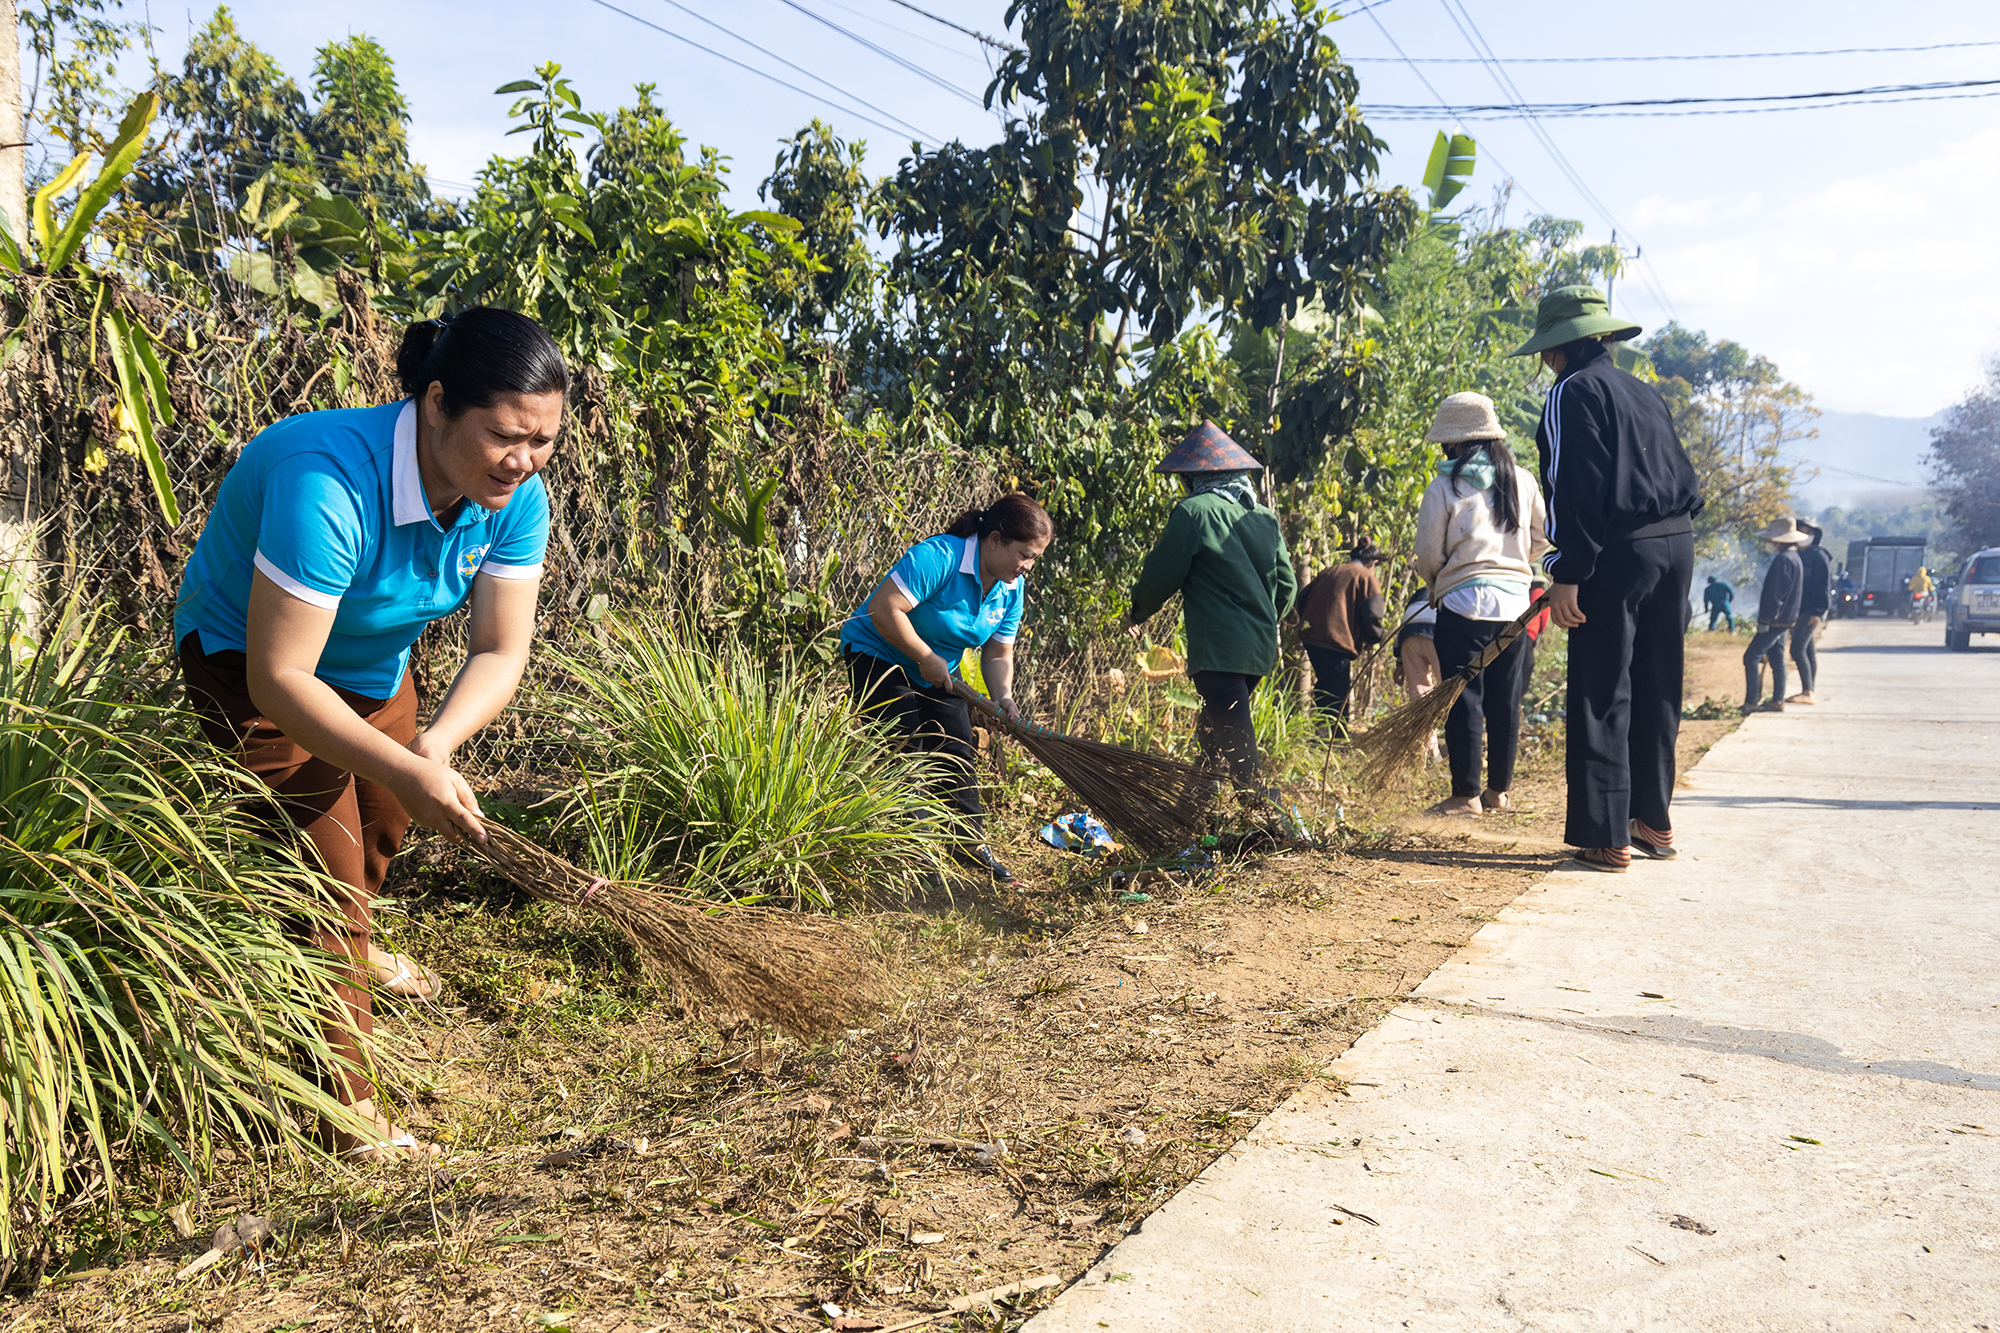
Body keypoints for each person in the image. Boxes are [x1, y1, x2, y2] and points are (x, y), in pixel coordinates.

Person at [174, 307, 566, 1158]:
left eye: (543, 442)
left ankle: (355, 932)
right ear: (435, 405)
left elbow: (502, 647)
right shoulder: (329, 478)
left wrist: (434, 746)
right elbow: (278, 679)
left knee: (384, 819)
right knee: (326, 881)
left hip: (370, 666)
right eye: (505, 436)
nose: (525, 461)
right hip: (248, 661)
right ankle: (346, 1119)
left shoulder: (513, 496)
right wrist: (402, 760)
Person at [1511, 285, 1703, 873]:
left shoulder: (1572, 391)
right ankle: (1654, 820)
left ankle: (1606, 834)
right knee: (1658, 682)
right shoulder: (1643, 391)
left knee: (1601, 687)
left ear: (1555, 349)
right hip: (1676, 546)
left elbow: (1574, 486)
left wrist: (1568, 572)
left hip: (1618, 554)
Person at [840, 493, 1053, 884]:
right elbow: (884, 608)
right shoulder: (940, 557)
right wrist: (923, 655)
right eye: (1024, 554)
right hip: (877, 654)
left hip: (937, 670)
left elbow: (997, 651)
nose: (1028, 566)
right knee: (905, 746)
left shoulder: (1010, 587)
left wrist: (1002, 695)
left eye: (1035, 558)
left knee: (956, 744)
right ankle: (914, 853)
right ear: (994, 539)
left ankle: (967, 843)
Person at [1127, 421, 1297, 793]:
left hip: (1218, 649)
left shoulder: (1194, 511)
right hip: (1258, 649)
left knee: (1238, 751)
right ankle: (1195, 810)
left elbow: (1161, 574)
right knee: (1213, 732)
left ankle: (1270, 820)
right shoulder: (1263, 517)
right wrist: (1264, 621)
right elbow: (1287, 586)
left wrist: (1137, 612)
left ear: (1192, 477)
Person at [1413, 391, 1550, 818]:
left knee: (1463, 697)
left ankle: (1466, 795)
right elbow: (1543, 537)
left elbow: (1428, 553)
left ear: (1454, 443)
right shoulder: (1522, 480)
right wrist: (1514, 566)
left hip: (1464, 603)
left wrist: (1438, 582)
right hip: (1515, 606)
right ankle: (1499, 793)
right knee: (1506, 700)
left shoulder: (1445, 485)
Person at [1294, 537, 1386, 729]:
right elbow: (1372, 614)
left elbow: (1302, 597)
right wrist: (1374, 637)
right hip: (1336, 639)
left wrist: (1311, 620)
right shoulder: (1366, 577)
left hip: (1312, 636)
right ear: (1374, 563)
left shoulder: (1330, 571)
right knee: (1338, 689)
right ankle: (1335, 736)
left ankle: (1321, 729)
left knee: (1325, 683)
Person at [1742, 517, 1810, 714]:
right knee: (1777, 657)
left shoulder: (1784, 560)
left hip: (1775, 620)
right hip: (1786, 619)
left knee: (1751, 657)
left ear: (1780, 540)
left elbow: (1775, 595)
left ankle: (1752, 701)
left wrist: (1765, 620)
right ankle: (1777, 699)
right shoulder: (1795, 558)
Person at [1392, 600, 1442, 763]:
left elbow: (1401, 626)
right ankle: (1460, 744)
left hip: (1409, 635)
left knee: (1419, 694)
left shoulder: (1417, 596)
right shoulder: (1449, 585)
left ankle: (1430, 751)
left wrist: (1400, 660)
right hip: (1437, 632)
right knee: (1450, 689)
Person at [1787, 521, 1832, 704]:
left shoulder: (1819, 556)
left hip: (1811, 610)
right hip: (1800, 608)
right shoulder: (1799, 554)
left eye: (1805, 531)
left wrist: (1819, 611)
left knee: (1797, 649)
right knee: (1808, 649)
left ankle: (1807, 691)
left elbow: (1824, 586)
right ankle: (1809, 689)